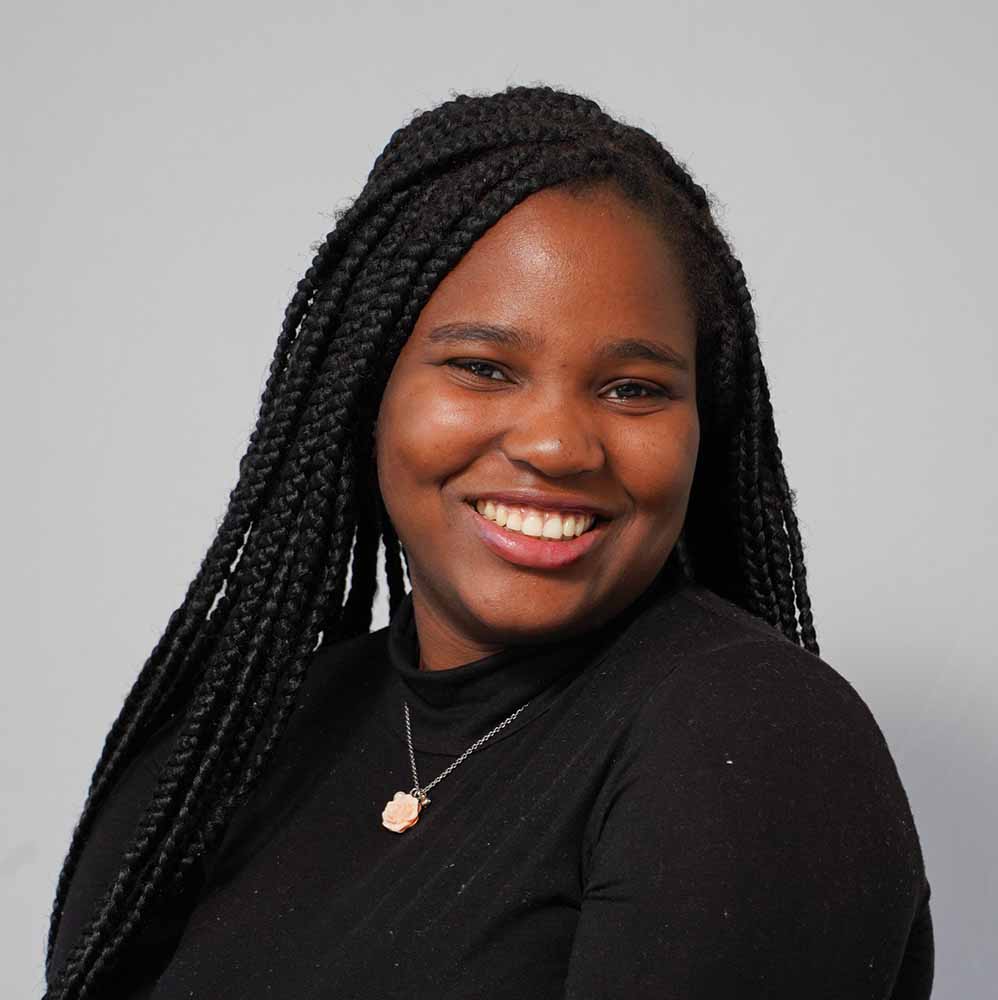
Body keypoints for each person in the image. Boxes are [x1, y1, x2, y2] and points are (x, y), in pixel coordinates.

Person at [43, 85, 934, 999]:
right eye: (482, 368)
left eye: (633, 389)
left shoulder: (752, 735)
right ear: (367, 388)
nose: (555, 444)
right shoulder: (230, 738)